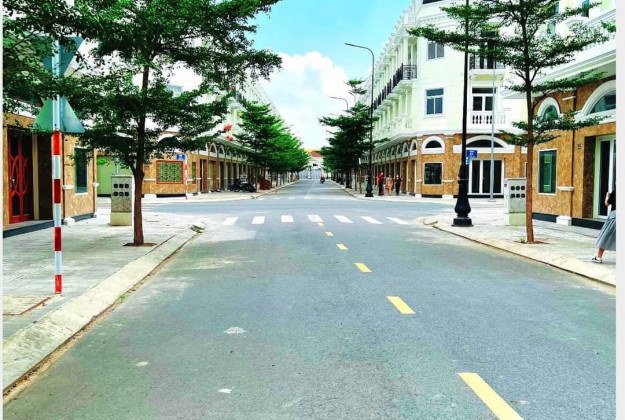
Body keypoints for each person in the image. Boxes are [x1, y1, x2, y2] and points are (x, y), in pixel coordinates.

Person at [592, 189, 616, 263]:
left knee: (605, 236)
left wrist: (607, 196)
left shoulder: (616, 192)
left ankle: (599, 257)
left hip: (614, 216)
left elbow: (606, 204)